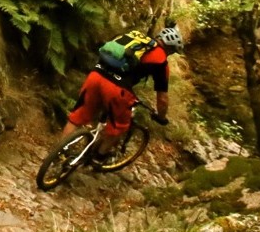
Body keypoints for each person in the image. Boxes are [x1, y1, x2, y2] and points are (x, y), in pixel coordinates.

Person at [60, 25, 184, 164]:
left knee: (78, 116)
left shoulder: (134, 37)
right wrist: (161, 117)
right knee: (120, 126)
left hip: (96, 74)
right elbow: (162, 98)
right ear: (170, 48)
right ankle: (98, 158)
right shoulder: (161, 61)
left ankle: (58, 153)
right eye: (172, 52)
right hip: (117, 88)